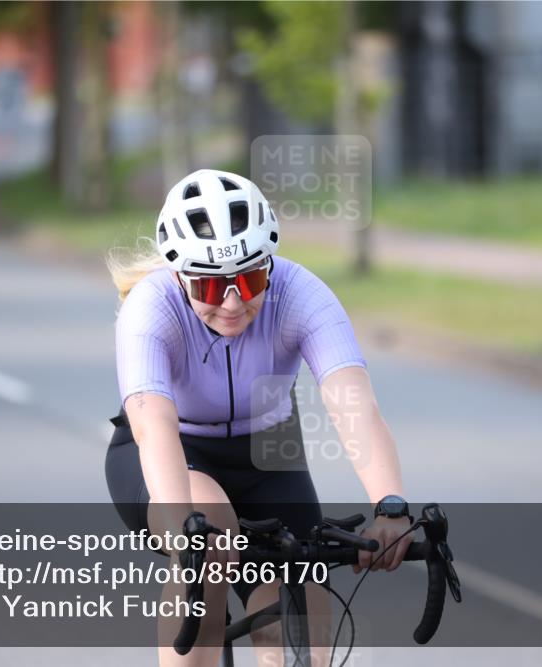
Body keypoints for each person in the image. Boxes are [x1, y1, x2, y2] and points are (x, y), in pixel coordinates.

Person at [106, 169, 413, 666]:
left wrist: (390, 506)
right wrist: (182, 526)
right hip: (175, 452)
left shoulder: (300, 293)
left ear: (269, 263)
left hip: (268, 456)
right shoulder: (151, 307)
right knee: (210, 537)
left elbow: (353, 405)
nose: (232, 303)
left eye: (250, 279)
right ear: (179, 275)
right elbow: (153, 426)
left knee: (303, 627)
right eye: (210, 286)